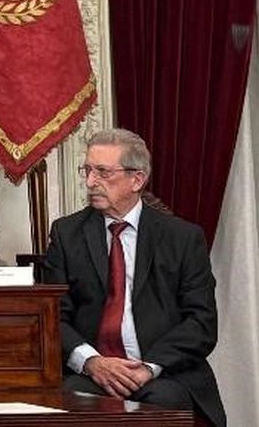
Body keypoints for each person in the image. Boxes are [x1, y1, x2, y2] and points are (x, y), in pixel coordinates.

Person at [42, 128, 226, 427]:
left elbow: (201, 323)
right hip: (91, 375)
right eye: (87, 170)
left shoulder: (182, 238)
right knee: (67, 401)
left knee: (162, 406)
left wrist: (147, 368)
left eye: (102, 172)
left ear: (136, 179)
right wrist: (92, 362)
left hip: (163, 372)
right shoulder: (66, 234)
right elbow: (52, 316)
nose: (90, 182)